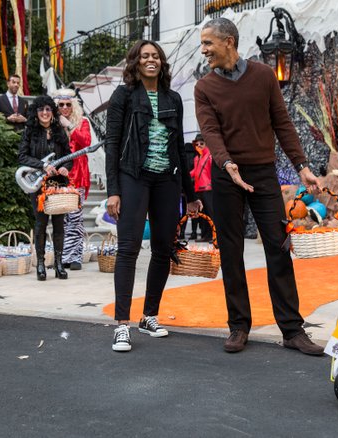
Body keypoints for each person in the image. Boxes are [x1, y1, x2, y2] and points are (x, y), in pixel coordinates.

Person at [194, 18, 324, 356]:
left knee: (278, 248)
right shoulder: (204, 87)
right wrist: (227, 163)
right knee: (232, 252)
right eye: (202, 44)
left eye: (209, 43)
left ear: (229, 42)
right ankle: (239, 326)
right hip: (227, 176)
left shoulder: (265, 76)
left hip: (264, 174)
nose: (204, 49)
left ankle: (292, 330)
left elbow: (282, 123)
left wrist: (302, 167)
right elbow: (210, 132)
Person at [105, 39, 201, 353]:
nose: (151, 60)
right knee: (129, 248)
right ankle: (122, 325)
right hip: (133, 176)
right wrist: (113, 191)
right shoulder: (123, 96)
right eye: (145, 56)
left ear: (162, 63)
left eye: (156, 56)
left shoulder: (173, 98)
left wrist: (191, 194)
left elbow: (179, 149)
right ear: (135, 63)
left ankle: (149, 316)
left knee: (163, 248)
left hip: (167, 180)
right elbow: (113, 144)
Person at [18, 95, 72, 281]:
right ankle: (40, 264)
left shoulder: (59, 131)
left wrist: (66, 167)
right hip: (39, 186)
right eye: (41, 109)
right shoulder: (30, 132)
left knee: (59, 225)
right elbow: (22, 156)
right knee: (41, 225)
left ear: (52, 112)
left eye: (48, 109)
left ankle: (58, 264)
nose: (45, 113)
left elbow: (69, 156)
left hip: (58, 185)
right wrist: (42, 166)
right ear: (36, 112)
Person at [52, 88, 92, 270]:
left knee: (75, 218)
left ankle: (74, 256)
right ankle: (63, 257)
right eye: (61, 105)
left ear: (73, 105)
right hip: (58, 176)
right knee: (62, 219)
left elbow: (86, 142)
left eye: (68, 104)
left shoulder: (82, 122)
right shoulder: (51, 124)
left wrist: (69, 125)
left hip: (78, 175)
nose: (65, 107)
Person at [189, 133, 213, 242]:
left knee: (211, 213)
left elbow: (212, 172)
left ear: (206, 144)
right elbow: (195, 171)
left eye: (201, 143)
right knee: (202, 215)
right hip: (198, 189)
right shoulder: (196, 158)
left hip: (208, 189)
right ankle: (205, 235)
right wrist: (186, 175)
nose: (199, 145)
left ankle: (214, 236)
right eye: (196, 144)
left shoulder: (210, 156)